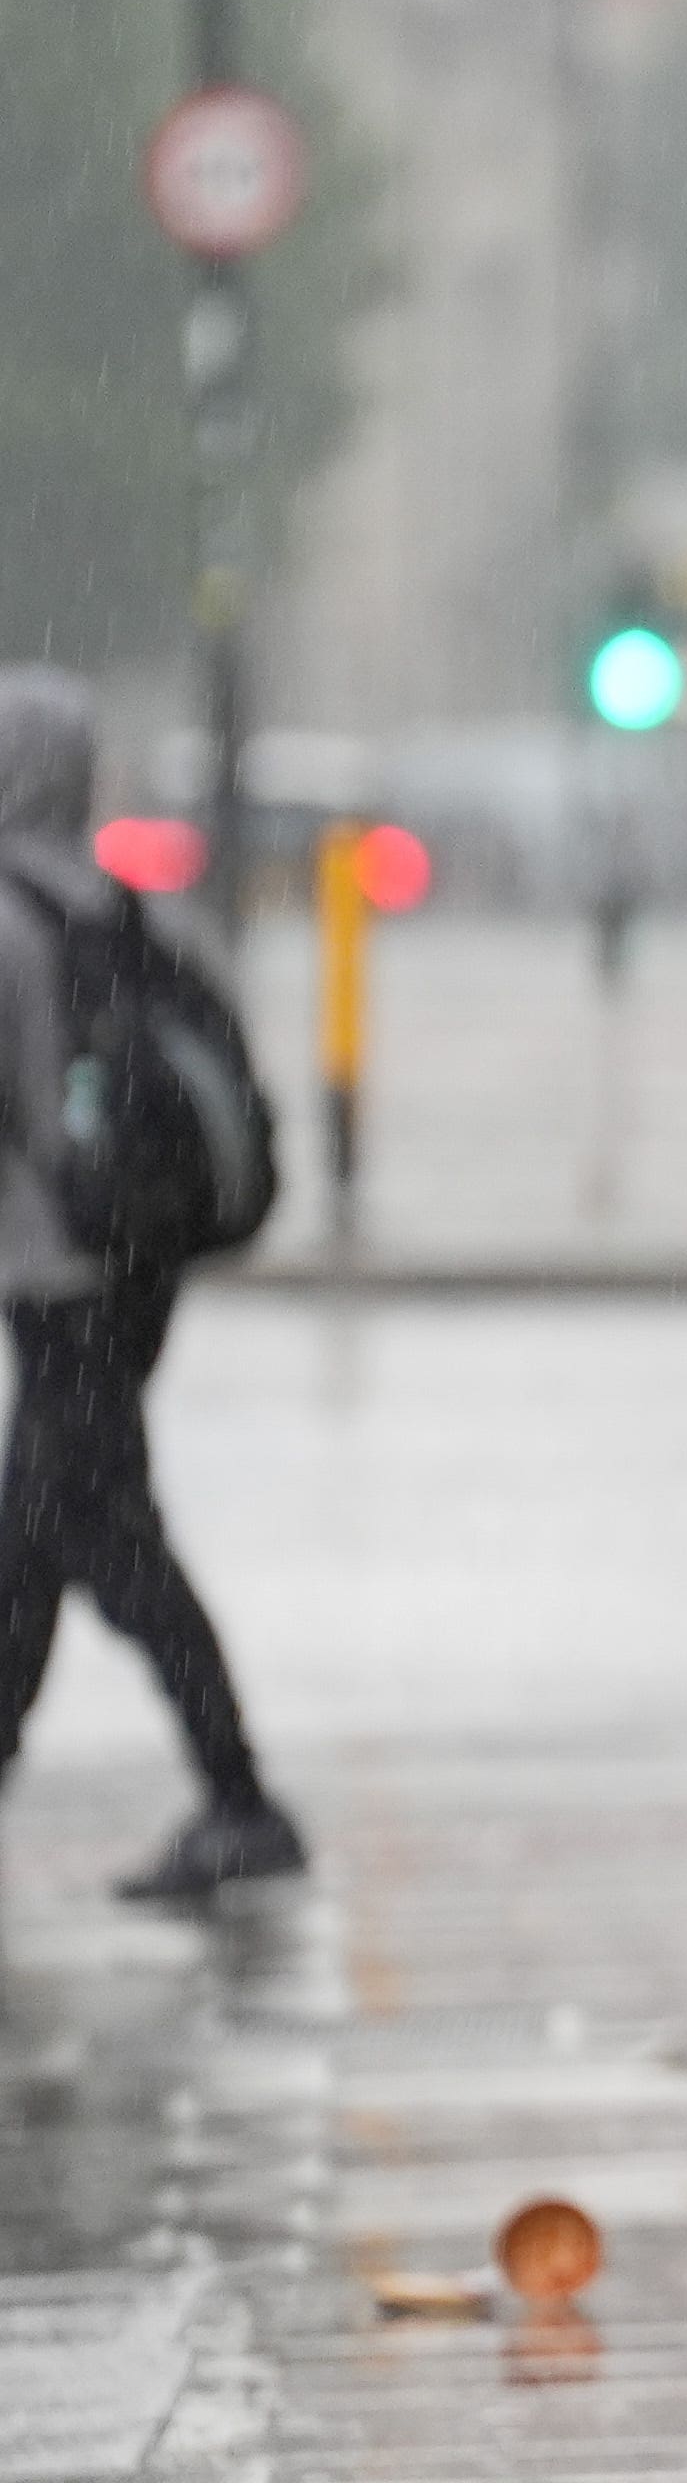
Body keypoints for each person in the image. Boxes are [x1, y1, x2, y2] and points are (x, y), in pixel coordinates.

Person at [0, 672, 302, 1906]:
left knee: (104, 1539)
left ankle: (242, 1798)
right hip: (136, 1266)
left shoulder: (7, 916)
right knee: (36, 1534)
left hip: (54, 1270)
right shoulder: (133, 911)